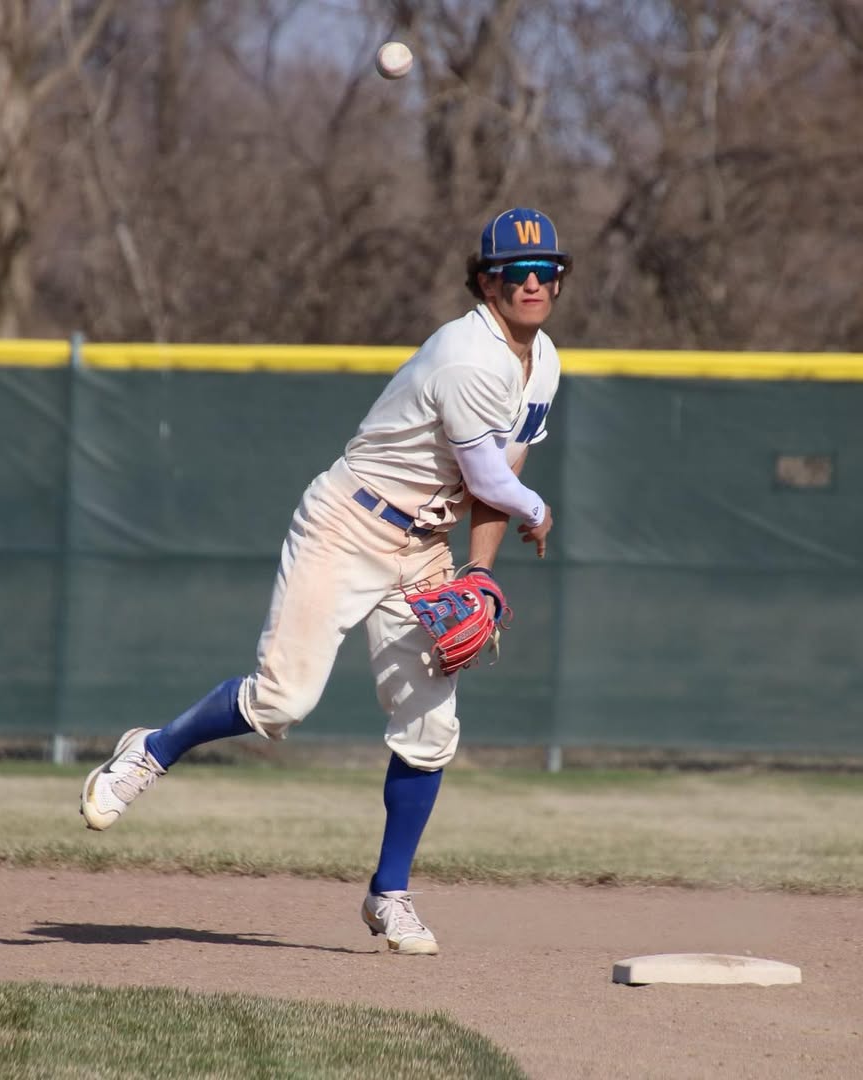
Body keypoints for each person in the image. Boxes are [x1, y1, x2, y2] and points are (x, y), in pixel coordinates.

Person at [81, 206, 572, 956]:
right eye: (516, 273)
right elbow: (491, 481)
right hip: (348, 524)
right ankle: (152, 749)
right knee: (281, 701)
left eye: (546, 271)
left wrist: (478, 572)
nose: (532, 284)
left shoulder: (546, 364)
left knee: (430, 730)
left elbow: (502, 472)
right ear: (485, 282)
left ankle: (389, 894)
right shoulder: (468, 356)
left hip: (424, 547)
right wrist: (537, 510)